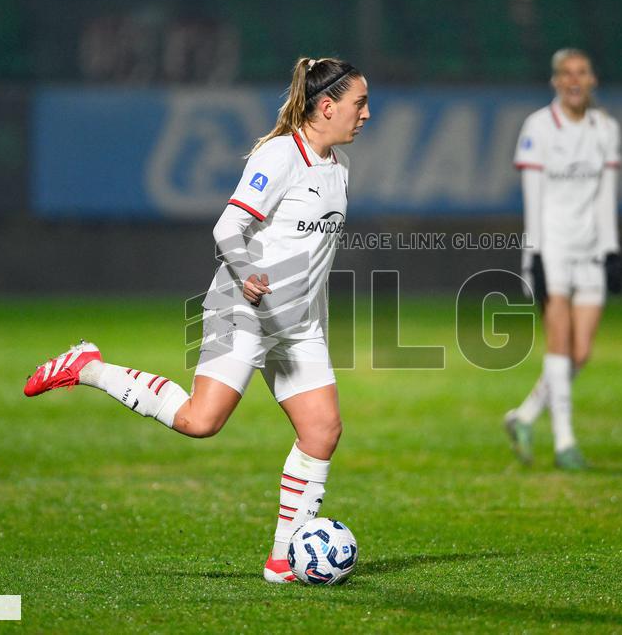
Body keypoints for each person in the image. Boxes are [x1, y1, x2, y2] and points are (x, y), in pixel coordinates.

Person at [23, 57, 370, 583]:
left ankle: (282, 559)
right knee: (200, 422)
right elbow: (227, 227)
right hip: (244, 312)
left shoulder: (338, 170)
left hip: (298, 326)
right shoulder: (281, 155)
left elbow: (310, 257)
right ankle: (89, 367)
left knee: (322, 431)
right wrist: (250, 273)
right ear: (326, 106)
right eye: (359, 103)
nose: (366, 113)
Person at [504, 48, 622, 470]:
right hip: (551, 248)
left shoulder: (605, 129)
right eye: (566, 74)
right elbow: (533, 200)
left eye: (582, 73)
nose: (575, 80)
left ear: (593, 79)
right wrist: (533, 256)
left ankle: (523, 416)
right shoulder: (538, 127)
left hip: (590, 250)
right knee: (559, 345)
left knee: (581, 353)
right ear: (556, 81)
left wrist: (610, 250)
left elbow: (606, 196)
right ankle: (564, 443)